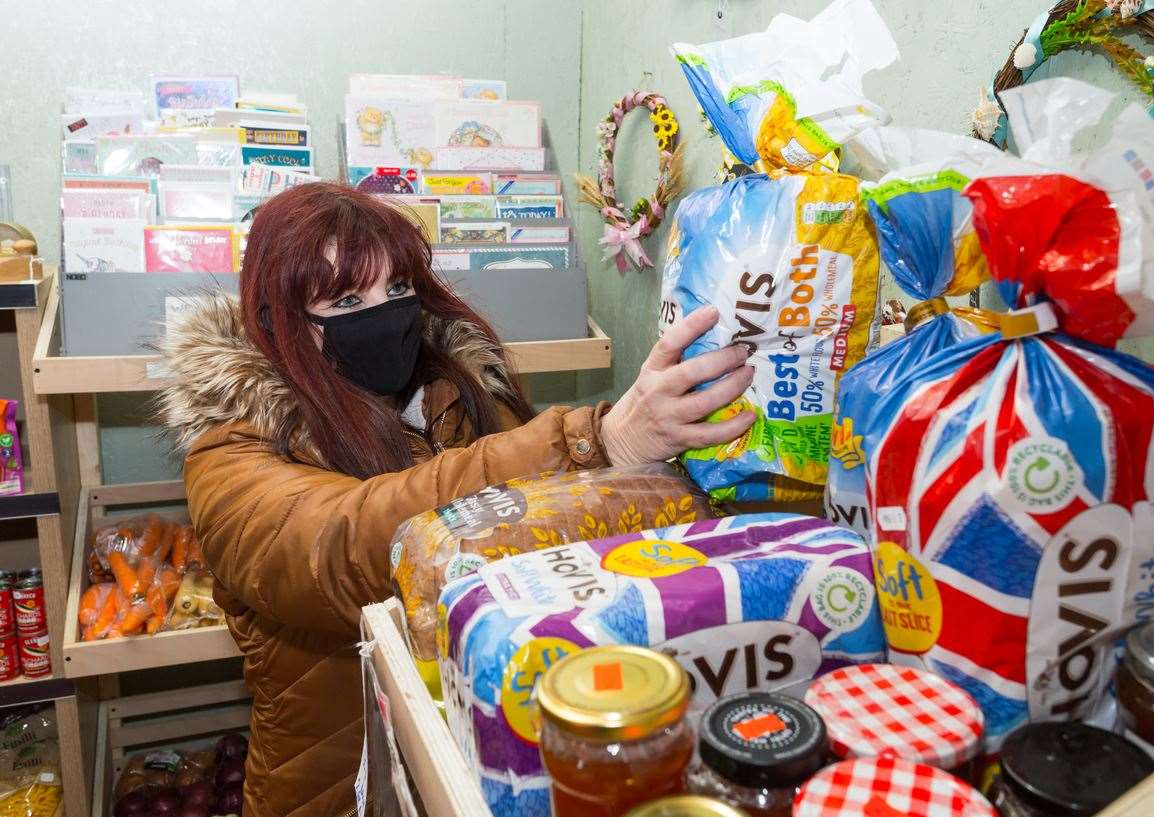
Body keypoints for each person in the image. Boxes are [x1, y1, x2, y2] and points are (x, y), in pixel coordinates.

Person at [157, 182, 754, 817]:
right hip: (340, 791)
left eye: (398, 290)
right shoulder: (232, 455)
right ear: (277, 322)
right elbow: (343, 544)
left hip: (481, 762)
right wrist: (594, 441)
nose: (385, 314)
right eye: (347, 299)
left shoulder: (459, 398)